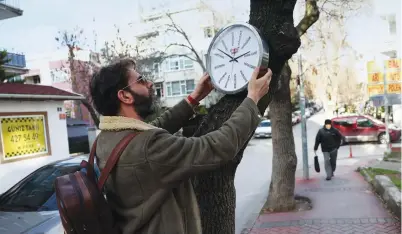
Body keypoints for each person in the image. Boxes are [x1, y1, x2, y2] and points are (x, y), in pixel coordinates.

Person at [89, 58, 272, 234]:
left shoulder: (106, 139)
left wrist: (194, 98)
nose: (150, 83)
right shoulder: (148, 147)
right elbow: (217, 146)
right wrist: (252, 99)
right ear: (125, 96)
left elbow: (154, 129)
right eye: (141, 80)